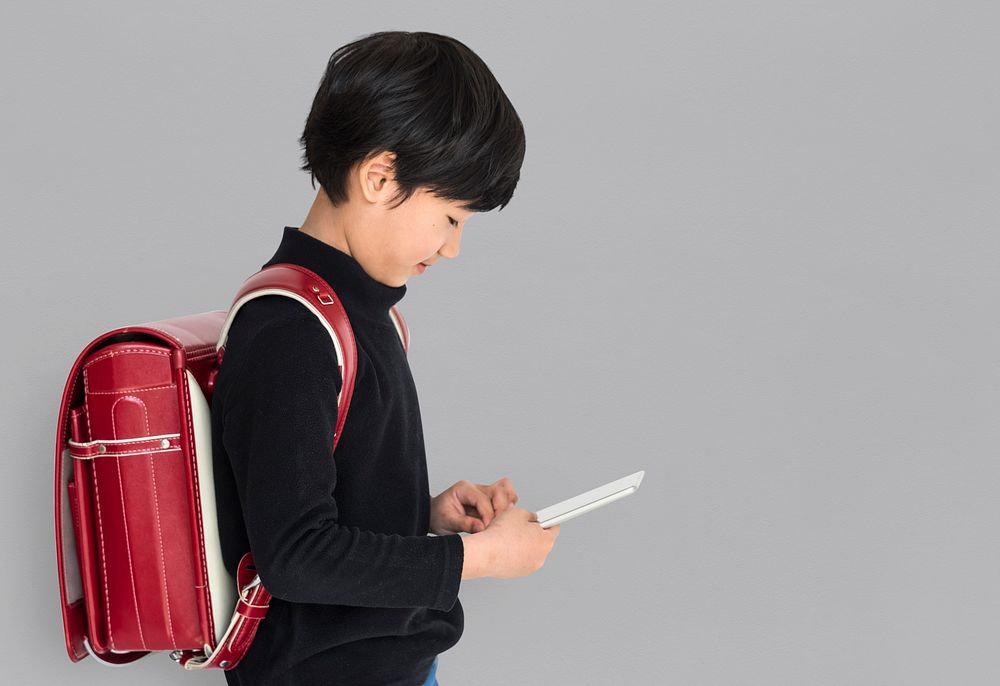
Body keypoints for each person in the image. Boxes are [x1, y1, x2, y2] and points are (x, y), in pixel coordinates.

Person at [211, 30, 560, 686]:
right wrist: (473, 559)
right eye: (452, 218)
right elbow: (296, 556)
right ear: (379, 177)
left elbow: (315, 501)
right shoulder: (291, 330)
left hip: (390, 666)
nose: (453, 247)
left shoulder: (363, 314)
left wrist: (423, 516)